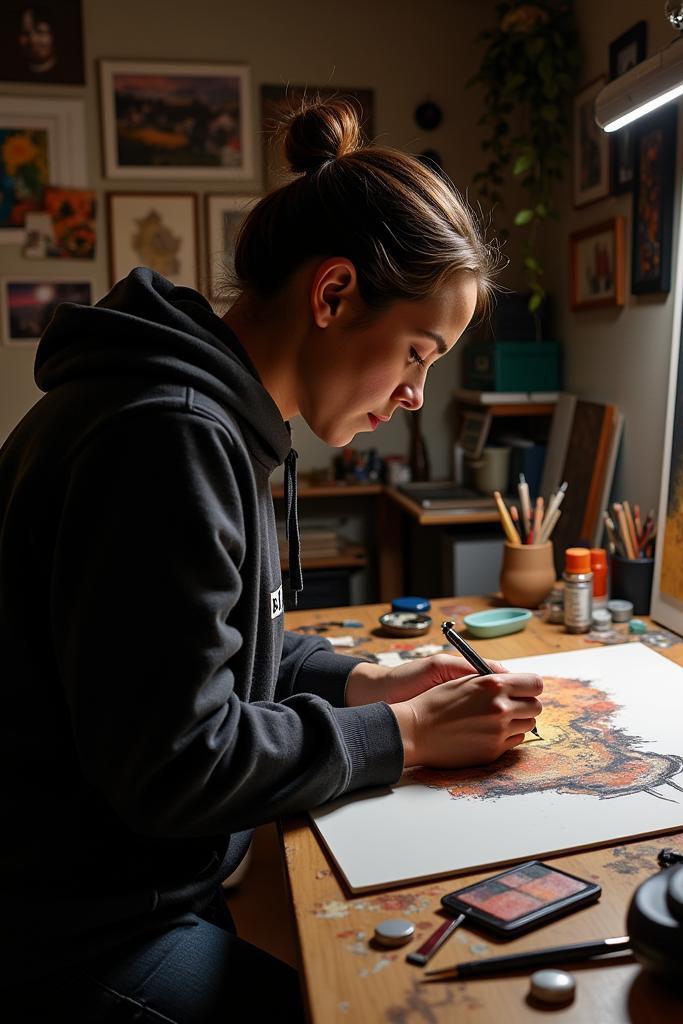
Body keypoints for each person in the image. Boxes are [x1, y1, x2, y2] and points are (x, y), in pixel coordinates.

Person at [0, 100, 544, 1021]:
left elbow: (209, 652)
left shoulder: (202, 413)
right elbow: (177, 762)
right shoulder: (167, 436)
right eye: (418, 352)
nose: (417, 394)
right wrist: (406, 737)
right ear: (333, 295)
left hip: (126, 891)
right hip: (69, 932)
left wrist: (369, 678)